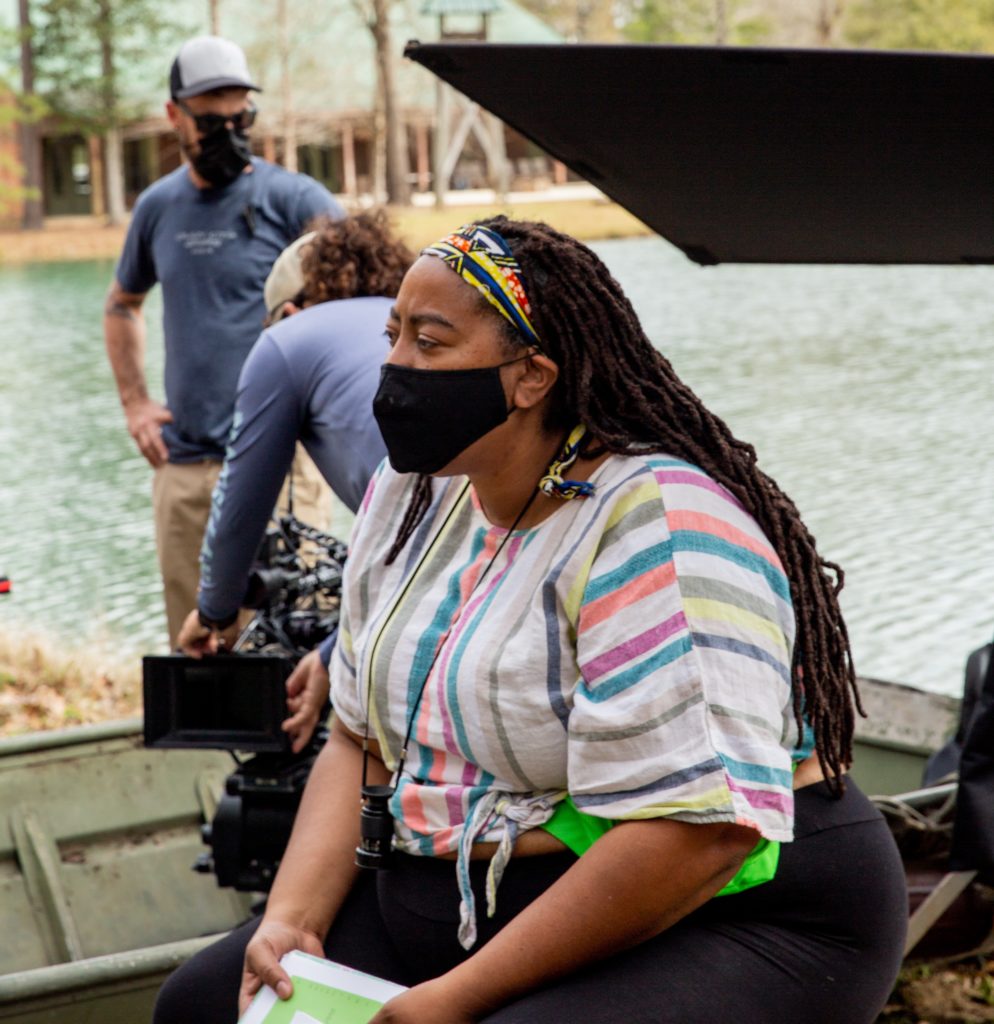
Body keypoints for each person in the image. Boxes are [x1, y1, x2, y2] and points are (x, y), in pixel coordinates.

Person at [153, 219, 907, 1024]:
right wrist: (291, 918)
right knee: (204, 1005)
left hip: (731, 913)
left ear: (532, 376)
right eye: (393, 335)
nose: (395, 367)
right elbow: (357, 734)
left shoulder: (657, 525)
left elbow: (700, 833)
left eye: (431, 344)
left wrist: (451, 1002)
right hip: (456, 892)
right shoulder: (414, 493)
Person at [103, 35, 344, 648]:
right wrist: (135, 404)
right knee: (200, 652)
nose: (228, 135)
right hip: (185, 466)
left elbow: (363, 302)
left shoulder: (295, 200)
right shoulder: (158, 207)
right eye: (211, 122)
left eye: (241, 120)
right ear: (173, 115)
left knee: (297, 636)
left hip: (285, 462)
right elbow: (121, 304)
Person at [176, 212, 412, 751]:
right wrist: (331, 653)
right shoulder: (412, 325)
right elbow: (413, 545)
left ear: (285, 312)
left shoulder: (288, 340)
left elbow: (240, 504)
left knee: (354, 743)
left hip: (427, 541)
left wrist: (214, 612)